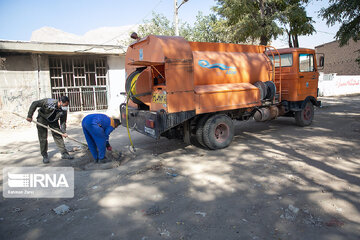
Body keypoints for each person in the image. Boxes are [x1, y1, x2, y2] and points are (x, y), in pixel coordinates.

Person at [27, 96, 73, 164]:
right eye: (65, 105)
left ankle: (64, 153)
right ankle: (44, 155)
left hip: (53, 120)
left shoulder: (63, 110)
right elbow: (34, 103)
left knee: (58, 135)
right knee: (43, 138)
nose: (66, 107)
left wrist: (63, 132)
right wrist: (29, 116)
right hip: (42, 119)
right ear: (60, 102)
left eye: (67, 105)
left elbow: (63, 122)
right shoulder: (48, 102)